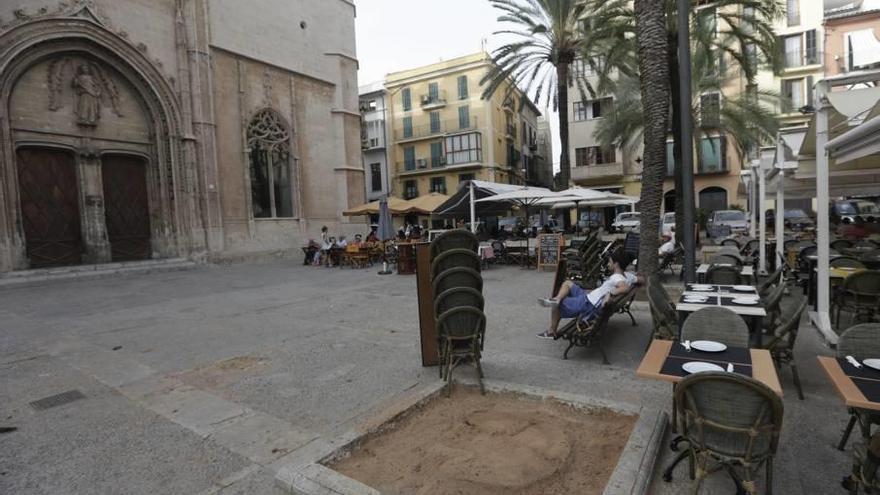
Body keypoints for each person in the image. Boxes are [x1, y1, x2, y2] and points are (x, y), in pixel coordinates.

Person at [535, 251, 633, 339]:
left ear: (616, 264)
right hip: (590, 297)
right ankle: (557, 299)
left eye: (610, 262)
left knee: (556, 306)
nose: (608, 264)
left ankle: (552, 331)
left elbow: (625, 288)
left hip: (588, 304)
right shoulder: (627, 276)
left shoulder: (617, 277)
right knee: (568, 283)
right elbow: (638, 279)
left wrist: (610, 293)